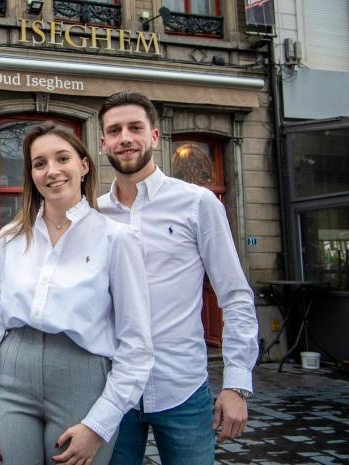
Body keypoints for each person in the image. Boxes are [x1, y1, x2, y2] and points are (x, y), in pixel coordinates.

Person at [0, 122, 154, 465]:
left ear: (83, 165)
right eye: (39, 164)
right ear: (31, 174)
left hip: (82, 377)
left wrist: (99, 425)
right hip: (11, 377)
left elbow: (137, 344)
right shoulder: (9, 239)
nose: (51, 171)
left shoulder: (117, 239)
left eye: (62, 158)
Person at [97, 91, 259, 465]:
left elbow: (234, 295)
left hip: (182, 389)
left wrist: (236, 384)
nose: (125, 138)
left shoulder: (198, 203)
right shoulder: (93, 213)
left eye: (135, 128)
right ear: (103, 142)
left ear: (154, 136)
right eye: (115, 130)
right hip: (111, 391)